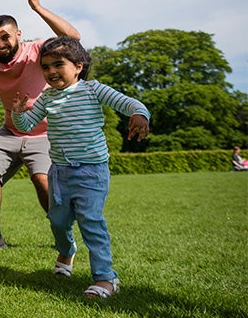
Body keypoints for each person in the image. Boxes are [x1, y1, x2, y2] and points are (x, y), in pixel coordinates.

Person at [11, 35, 150, 299]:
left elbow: (130, 103)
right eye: (46, 66)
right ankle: (67, 251)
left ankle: (106, 278)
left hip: (91, 171)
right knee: (57, 220)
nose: (51, 71)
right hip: (60, 173)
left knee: (91, 221)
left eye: (58, 64)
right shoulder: (47, 97)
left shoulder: (93, 90)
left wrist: (140, 114)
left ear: (78, 66)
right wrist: (18, 112)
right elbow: (27, 125)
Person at [0, 0, 81, 251]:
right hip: (10, 131)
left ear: (18, 34)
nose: (0, 44)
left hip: (43, 134)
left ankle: (62, 235)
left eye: (5, 37)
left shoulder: (37, 50)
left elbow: (73, 39)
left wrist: (38, 8)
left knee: (42, 180)